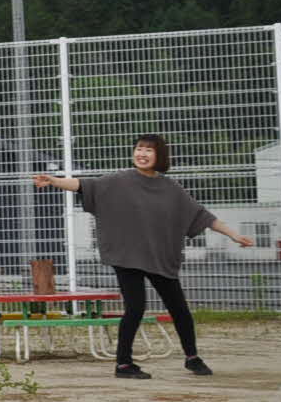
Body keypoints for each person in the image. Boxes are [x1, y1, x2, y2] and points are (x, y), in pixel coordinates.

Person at [35, 134, 251, 379]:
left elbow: (202, 216)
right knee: (135, 308)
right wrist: (53, 180)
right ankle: (123, 365)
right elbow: (84, 185)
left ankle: (192, 358)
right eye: (139, 149)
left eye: (149, 150)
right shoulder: (119, 180)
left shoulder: (171, 189)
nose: (142, 154)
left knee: (179, 309)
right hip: (126, 255)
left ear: (160, 156)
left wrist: (234, 234)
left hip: (159, 257)